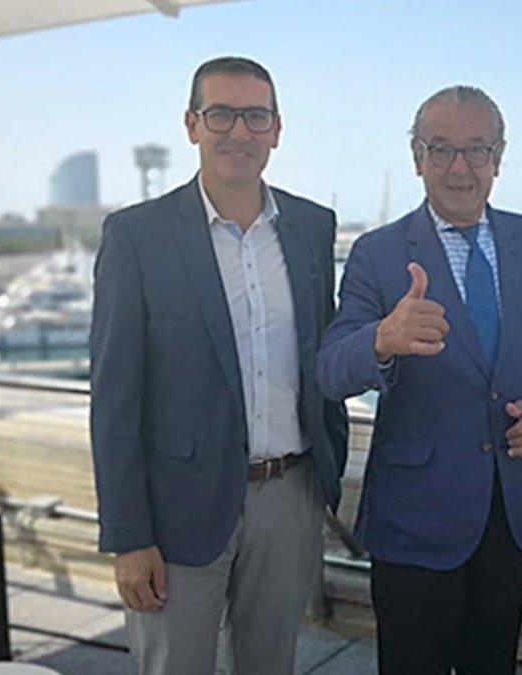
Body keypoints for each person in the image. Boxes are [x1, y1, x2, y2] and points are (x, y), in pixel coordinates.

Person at [89, 56, 347, 675]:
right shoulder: (137, 236)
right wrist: (129, 536)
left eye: (255, 116)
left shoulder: (312, 228)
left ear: (277, 129)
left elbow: (326, 355)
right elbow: (114, 398)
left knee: (271, 665)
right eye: (221, 114)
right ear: (191, 124)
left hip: (290, 497)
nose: (239, 131)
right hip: (175, 510)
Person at [315, 85, 522, 674]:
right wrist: (382, 338)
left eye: (476, 150)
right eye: (441, 150)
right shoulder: (377, 253)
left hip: (510, 511)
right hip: (413, 517)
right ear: (417, 157)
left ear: (499, 156)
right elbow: (330, 370)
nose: (459, 167)